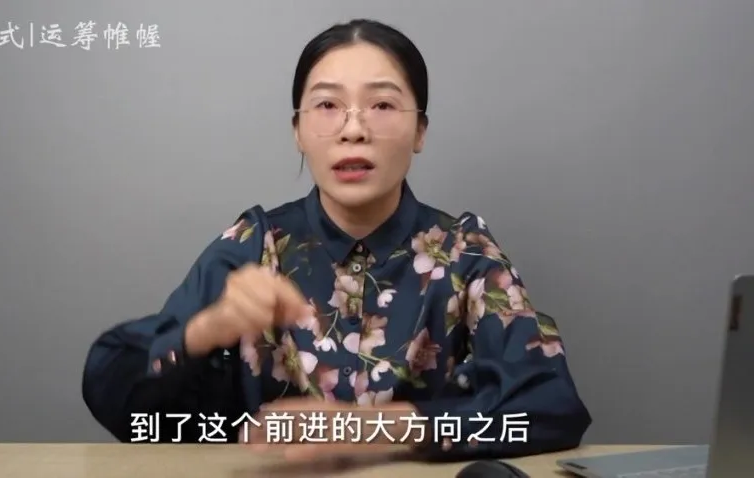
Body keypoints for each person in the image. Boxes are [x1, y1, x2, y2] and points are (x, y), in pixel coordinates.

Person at [81, 18, 591, 462]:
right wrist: (205, 330)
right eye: (327, 105)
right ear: (298, 131)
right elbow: (113, 394)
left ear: (420, 131)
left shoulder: (465, 254)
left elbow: (551, 407)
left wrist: (376, 429)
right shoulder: (254, 246)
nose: (353, 129)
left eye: (382, 104)